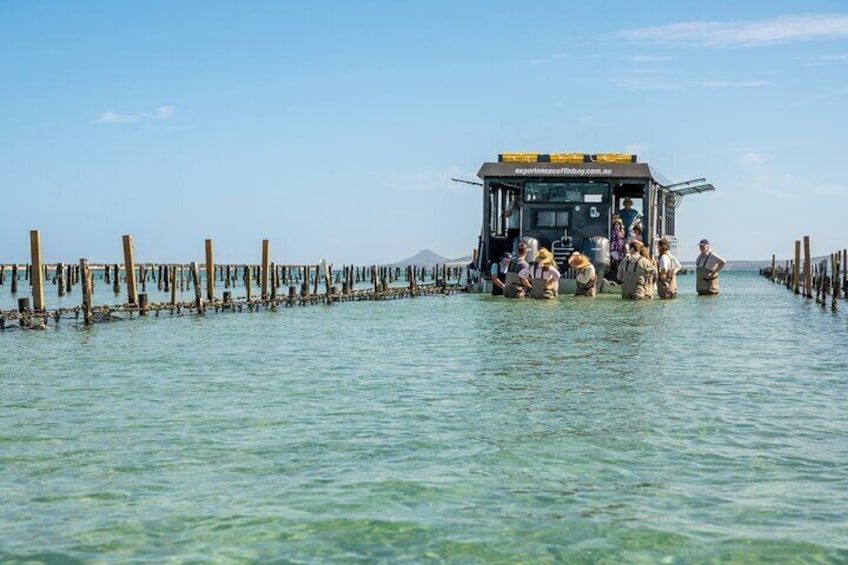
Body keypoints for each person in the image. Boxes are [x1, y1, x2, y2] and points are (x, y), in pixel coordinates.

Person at [609, 216, 627, 281]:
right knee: (615, 262)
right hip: (614, 248)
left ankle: (619, 276)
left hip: (621, 249)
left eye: (618, 224)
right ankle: (615, 276)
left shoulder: (622, 232)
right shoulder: (613, 232)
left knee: (620, 262)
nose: (617, 225)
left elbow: (623, 240)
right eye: (616, 224)